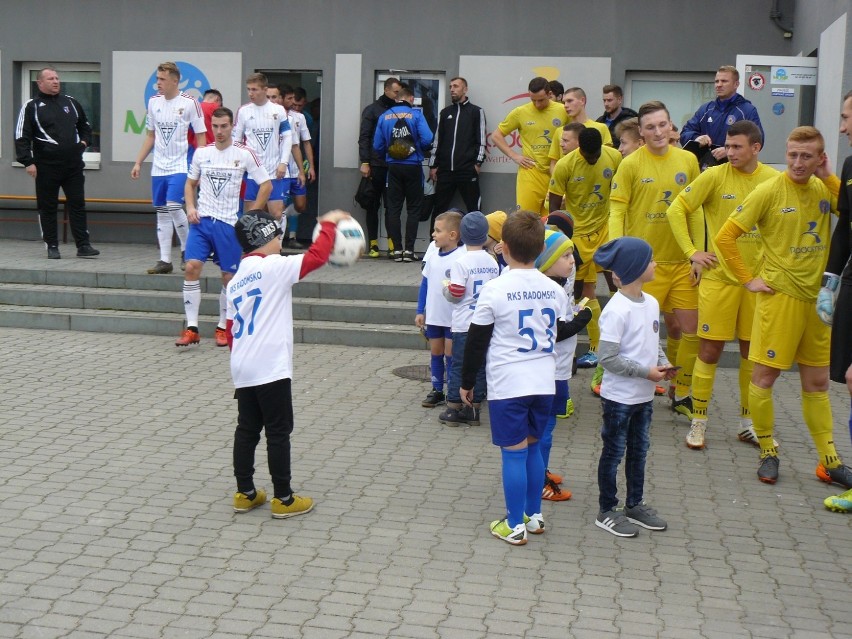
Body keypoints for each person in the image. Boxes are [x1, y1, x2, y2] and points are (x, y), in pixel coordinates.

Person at [714, 126, 852, 488]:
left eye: (806, 156)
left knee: (818, 382)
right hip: (780, 299)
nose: (797, 162)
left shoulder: (824, 186)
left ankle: (829, 461)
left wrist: (830, 176)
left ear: (820, 157)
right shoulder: (770, 189)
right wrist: (748, 279)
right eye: (792, 154)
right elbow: (725, 236)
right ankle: (767, 451)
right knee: (765, 377)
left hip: (817, 300)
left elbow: (849, 213)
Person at [228, 208, 351, 519]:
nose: (280, 240)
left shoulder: (234, 279)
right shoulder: (274, 267)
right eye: (276, 234)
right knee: (279, 431)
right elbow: (316, 257)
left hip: (243, 366)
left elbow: (230, 332)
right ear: (263, 238)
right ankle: (283, 497)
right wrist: (326, 224)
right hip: (271, 366)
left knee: (247, 429)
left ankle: (245, 493)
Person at [666, 121, 778, 450]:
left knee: (750, 353)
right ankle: (699, 422)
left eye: (737, 147)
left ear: (756, 147)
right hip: (719, 279)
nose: (729, 153)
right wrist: (692, 253)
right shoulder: (714, 176)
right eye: (727, 147)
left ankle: (748, 424)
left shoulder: (773, 180)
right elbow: (676, 209)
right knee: (710, 351)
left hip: (756, 284)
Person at [460, 210, 569, 546]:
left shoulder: (495, 289)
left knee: (514, 453)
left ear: (503, 247)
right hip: (544, 382)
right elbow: (560, 329)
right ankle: (533, 516)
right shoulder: (555, 290)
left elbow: (476, 342)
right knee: (534, 450)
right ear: (540, 249)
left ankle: (513, 524)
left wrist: (467, 384)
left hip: (509, 384)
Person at [610, 101, 700, 418]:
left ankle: (681, 391)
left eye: (662, 124)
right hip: (645, 267)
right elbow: (617, 209)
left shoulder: (688, 160)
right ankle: (622, 393)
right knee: (637, 334)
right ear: (642, 132)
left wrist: (697, 254)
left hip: (682, 264)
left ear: (671, 125)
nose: (658, 132)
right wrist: (618, 255)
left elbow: (696, 209)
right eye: (650, 127)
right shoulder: (631, 164)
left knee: (690, 331)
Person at [592, 237, 677, 537]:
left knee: (639, 450)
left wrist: (663, 366)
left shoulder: (651, 303)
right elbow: (608, 359)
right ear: (636, 268)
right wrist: (647, 373)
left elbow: (652, 345)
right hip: (620, 399)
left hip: (643, 396)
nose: (656, 264)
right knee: (614, 451)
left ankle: (634, 504)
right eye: (651, 260)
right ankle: (607, 509)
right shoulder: (616, 310)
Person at [176, 107, 271, 348]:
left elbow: (266, 185)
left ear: (232, 127)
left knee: (229, 277)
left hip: (229, 224)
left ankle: (222, 327)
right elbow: (189, 184)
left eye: (224, 126)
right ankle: (192, 328)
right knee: (191, 267)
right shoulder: (202, 153)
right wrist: (190, 207)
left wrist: (250, 217)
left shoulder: (244, 153)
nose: (219, 131)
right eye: (215, 126)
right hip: (202, 222)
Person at [548, 127, 621, 389]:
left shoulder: (613, 157)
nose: (592, 159)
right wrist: (559, 237)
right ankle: (594, 346)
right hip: (577, 235)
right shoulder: (566, 165)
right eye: (588, 155)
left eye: (596, 155)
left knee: (617, 285)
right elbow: (554, 205)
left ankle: (617, 341)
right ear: (580, 148)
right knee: (579, 292)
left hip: (605, 230)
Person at [15, 66, 99, 259]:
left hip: (73, 166)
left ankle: (83, 245)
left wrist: (83, 143)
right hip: (46, 166)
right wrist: (28, 162)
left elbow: (85, 127)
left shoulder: (71, 102)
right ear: (40, 83)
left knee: (77, 204)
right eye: (51, 78)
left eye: (57, 78)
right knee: (48, 206)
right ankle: (52, 245)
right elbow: (22, 136)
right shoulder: (31, 106)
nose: (55, 81)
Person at [131, 61, 207, 275]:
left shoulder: (190, 103)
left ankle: (186, 250)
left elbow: (201, 137)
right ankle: (165, 259)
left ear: (175, 80)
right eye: (157, 79)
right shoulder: (154, 102)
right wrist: (138, 162)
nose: (158, 83)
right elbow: (150, 136)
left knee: (174, 206)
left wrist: (199, 168)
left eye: (162, 79)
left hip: (180, 165)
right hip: (159, 167)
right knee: (162, 211)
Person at [536, 230, 593, 502]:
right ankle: (540, 481)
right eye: (566, 256)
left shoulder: (551, 286)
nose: (573, 261)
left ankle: (541, 471)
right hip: (552, 370)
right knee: (544, 428)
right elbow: (558, 331)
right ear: (546, 261)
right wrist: (584, 319)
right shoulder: (552, 290)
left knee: (545, 426)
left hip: (554, 368)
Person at [819, 90, 852, 512]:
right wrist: (830, 280)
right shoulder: (848, 165)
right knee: (847, 377)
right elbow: (844, 228)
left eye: (846, 118)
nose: (842, 127)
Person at [439, 211, 500, 426]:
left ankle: (454, 407)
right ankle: (474, 409)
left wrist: (445, 287)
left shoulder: (461, 262)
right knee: (480, 365)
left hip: (464, 323)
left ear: (462, 235)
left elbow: (456, 294)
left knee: (459, 365)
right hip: (486, 323)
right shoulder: (492, 261)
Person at [373, 84, 434, 262]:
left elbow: (377, 145)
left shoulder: (384, 116)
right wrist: (418, 149)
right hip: (413, 166)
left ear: (396, 98)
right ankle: (409, 250)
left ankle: (397, 250)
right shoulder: (416, 114)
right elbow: (428, 138)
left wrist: (389, 152)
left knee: (393, 209)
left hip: (393, 168)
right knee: (414, 209)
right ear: (411, 99)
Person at [490, 77, 568, 216]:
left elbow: (576, 133)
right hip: (530, 172)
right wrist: (514, 156)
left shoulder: (563, 110)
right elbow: (496, 135)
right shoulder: (520, 112)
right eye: (533, 100)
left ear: (550, 94)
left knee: (552, 221)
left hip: (555, 173)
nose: (537, 104)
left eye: (541, 100)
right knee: (526, 220)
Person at [416, 211, 464, 407]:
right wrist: (420, 310)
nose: (433, 234)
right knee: (436, 352)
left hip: (454, 317)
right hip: (434, 316)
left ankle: (453, 391)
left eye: (438, 231)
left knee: (450, 355)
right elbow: (425, 284)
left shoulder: (463, 257)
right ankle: (437, 390)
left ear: (452, 235)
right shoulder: (433, 255)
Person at [232, 73, 292, 221]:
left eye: (254, 89)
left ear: (265, 90)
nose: (250, 93)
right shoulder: (243, 111)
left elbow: (287, 137)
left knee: (276, 214)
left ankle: (276, 244)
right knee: (250, 216)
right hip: (252, 172)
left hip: (273, 170)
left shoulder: (278, 110)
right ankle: (253, 245)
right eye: (248, 89)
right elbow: (236, 140)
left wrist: (283, 162)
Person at [428, 77, 487, 223]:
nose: (452, 89)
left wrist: (477, 163)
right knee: (439, 209)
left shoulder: (476, 112)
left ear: (465, 89)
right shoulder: (445, 112)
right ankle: (434, 244)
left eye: (456, 86)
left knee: (474, 210)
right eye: (450, 87)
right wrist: (433, 165)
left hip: (466, 169)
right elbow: (437, 140)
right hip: (446, 171)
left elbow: (481, 140)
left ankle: (477, 243)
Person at [680, 65, 764, 163]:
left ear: (736, 84)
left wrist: (730, 150)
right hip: (707, 168)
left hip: (734, 169)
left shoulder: (747, 111)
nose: (719, 85)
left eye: (724, 81)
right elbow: (685, 133)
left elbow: (757, 142)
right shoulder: (706, 109)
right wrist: (696, 138)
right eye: (717, 81)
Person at [359, 77, 401, 257]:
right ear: (386, 90)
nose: (398, 96)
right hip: (375, 165)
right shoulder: (372, 110)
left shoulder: (399, 111)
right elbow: (364, 137)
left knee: (391, 206)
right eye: (395, 92)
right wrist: (365, 162)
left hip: (393, 165)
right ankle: (373, 244)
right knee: (372, 205)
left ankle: (392, 243)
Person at [548, 87, 613, 173]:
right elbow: (553, 162)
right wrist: (557, 179)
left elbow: (608, 158)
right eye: (564, 102)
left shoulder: (601, 128)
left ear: (582, 100)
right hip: (568, 182)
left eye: (570, 101)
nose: (566, 105)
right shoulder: (560, 131)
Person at [188, 89, 222, 164]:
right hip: (214, 153)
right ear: (217, 100)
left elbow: (189, 137)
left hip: (194, 153)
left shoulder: (192, 109)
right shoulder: (216, 109)